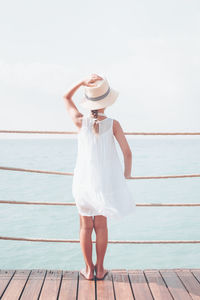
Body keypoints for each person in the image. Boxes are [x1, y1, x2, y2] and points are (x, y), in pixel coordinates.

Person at [63, 73, 136, 281]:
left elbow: (65, 97)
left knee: (86, 227)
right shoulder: (114, 124)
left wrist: (81, 81)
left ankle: (88, 270)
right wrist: (126, 175)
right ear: (107, 101)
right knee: (101, 226)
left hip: (83, 183)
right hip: (104, 184)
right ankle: (101, 268)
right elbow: (128, 153)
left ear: (88, 102)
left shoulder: (80, 121)